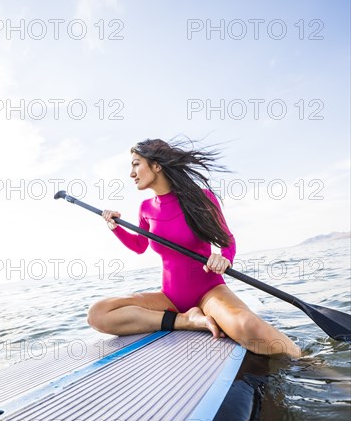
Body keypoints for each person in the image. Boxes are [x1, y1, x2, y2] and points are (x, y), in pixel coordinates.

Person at [87, 138, 301, 358]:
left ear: (156, 165)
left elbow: (227, 239)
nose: (131, 173)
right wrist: (115, 228)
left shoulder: (200, 198)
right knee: (98, 314)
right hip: (169, 298)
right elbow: (140, 246)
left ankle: (308, 362)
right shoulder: (145, 208)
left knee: (248, 327)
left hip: (208, 292)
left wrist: (224, 258)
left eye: (136, 164)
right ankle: (185, 320)